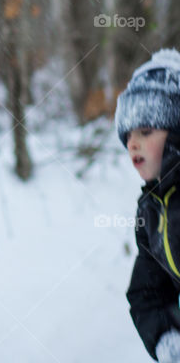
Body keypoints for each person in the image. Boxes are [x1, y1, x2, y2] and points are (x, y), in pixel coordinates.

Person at [118, 48, 180, 361]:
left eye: (146, 130)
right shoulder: (151, 209)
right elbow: (146, 291)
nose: (133, 143)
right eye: (129, 134)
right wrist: (165, 339)